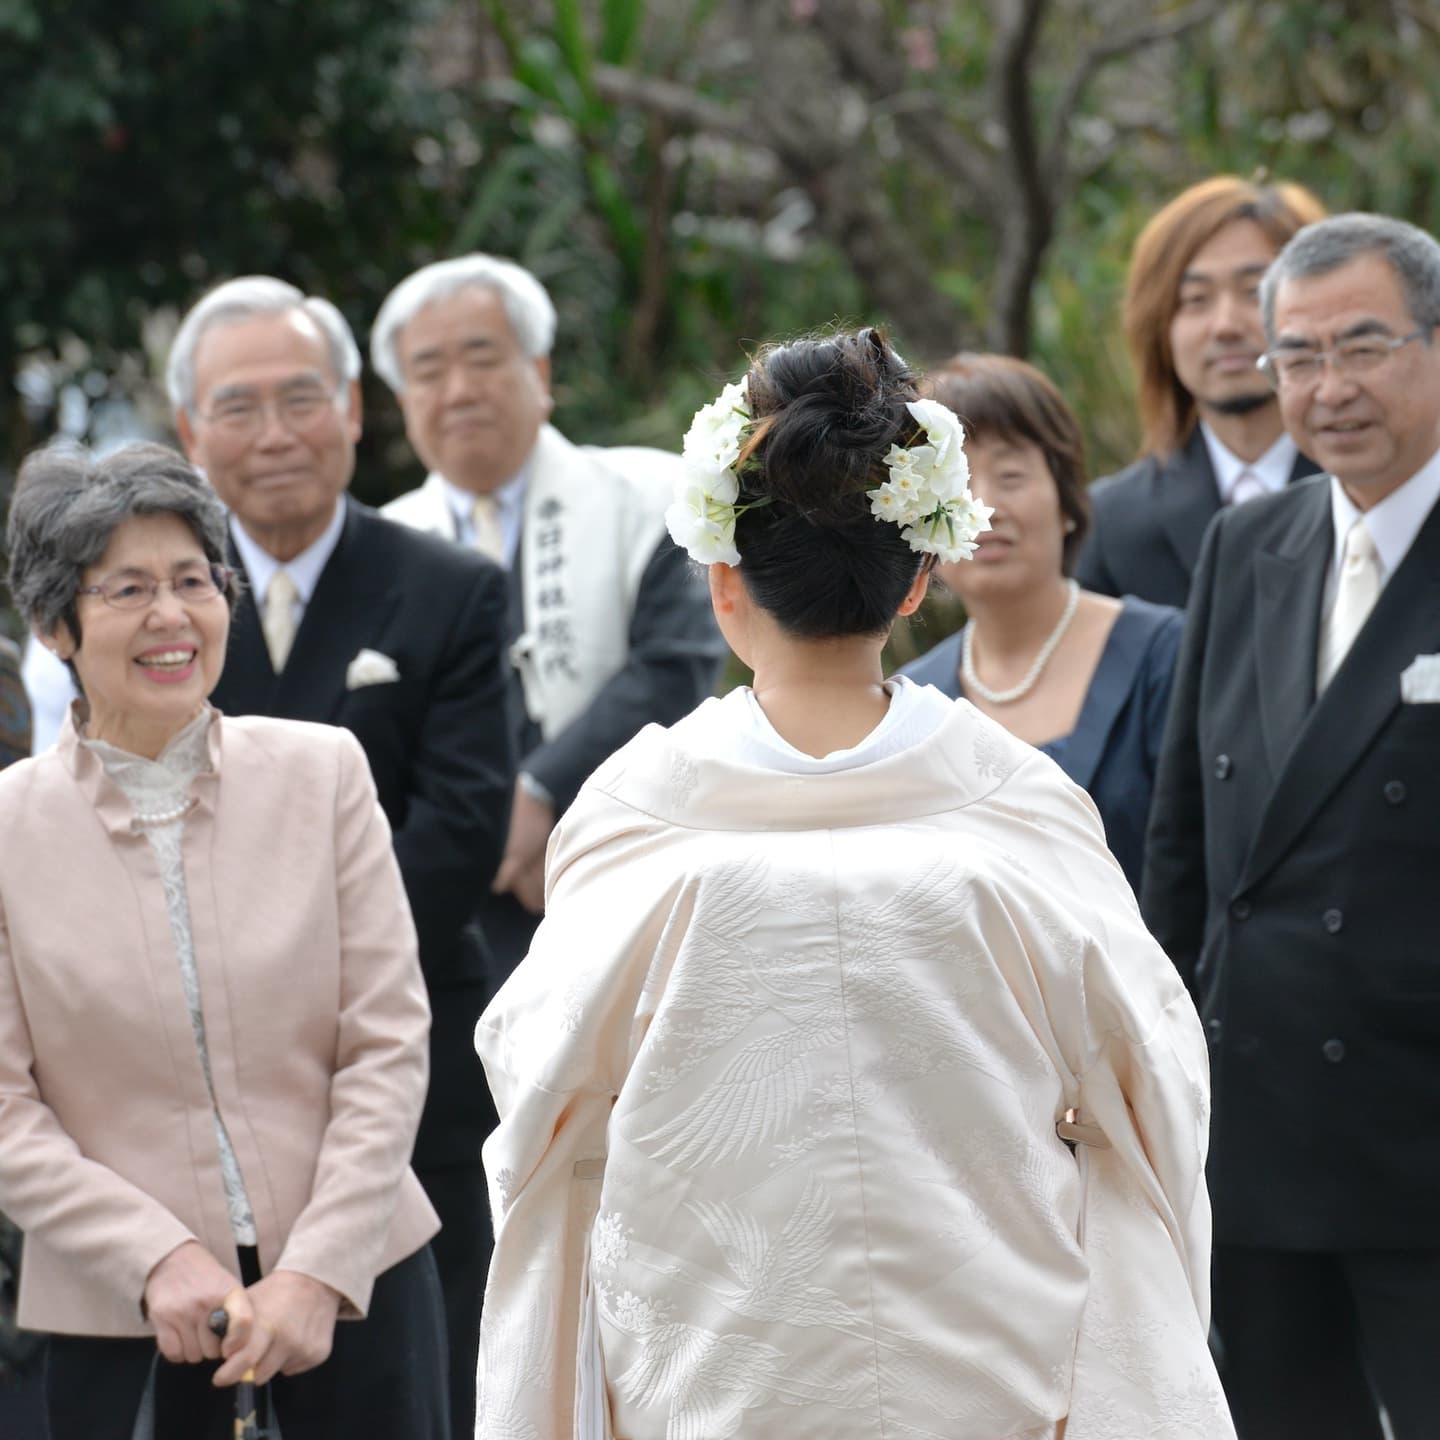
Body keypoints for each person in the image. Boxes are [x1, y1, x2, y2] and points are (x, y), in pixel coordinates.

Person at [475, 330, 1231, 1440]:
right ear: (921, 579)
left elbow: (539, 1100)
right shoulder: (1013, 801)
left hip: (714, 1364)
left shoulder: (639, 813)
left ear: (721, 582)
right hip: (991, 1363)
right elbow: (1153, 1078)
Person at [0, 442, 446, 1440]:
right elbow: (5, 1107)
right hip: (123, 1319)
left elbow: (386, 1040)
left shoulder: (325, 772)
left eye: (193, 580)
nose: (171, 616)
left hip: (361, 1282)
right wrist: (156, 1254)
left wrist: (317, 1270)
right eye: (126, 589)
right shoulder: (7, 831)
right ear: (51, 624)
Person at [166, 275, 512, 1440]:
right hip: (192, 1084)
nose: (274, 436)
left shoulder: (450, 587)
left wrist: (290, 986)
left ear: (356, 409)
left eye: (302, 399)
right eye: (239, 407)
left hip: (409, 1053)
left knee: (425, 1380)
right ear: (189, 433)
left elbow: (460, 831)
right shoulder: (155, 609)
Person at [1143, 212, 1440, 1440]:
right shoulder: (1246, 544)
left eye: (1363, 348)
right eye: (1299, 357)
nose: (1329, 389)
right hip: (1258, 1125)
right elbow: (1183, 847)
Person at [371, 254, 724, 949]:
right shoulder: (382, 546)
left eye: (482, 359)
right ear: (403, 399)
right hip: (445, 916)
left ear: (540, 374)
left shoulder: (651, 497)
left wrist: (544, 795)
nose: (459, 390)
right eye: (429, 372)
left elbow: (674, 668)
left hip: (633, 880)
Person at [902, 355, 1182, 893]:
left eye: (1011, 476)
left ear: (1068, 501)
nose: (984, 507)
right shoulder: (911, 701)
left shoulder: (1168, 655)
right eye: (957, 483)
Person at [1076, 175, 1325, 608]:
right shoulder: (1110, 525)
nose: (1225, 325)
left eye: (1255, 291)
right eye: (1195, 299)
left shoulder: (1373, 481)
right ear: (1159, 328)